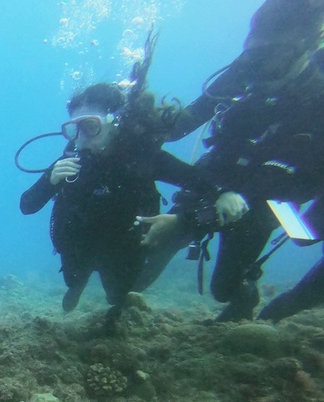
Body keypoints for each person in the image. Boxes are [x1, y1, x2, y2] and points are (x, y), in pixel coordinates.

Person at [138, 0, 324, 321]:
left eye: (275, 58)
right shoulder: (244, 70)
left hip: (269, 200)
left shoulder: (317, 102)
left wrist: (190, 220)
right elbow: (184, 123)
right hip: (218, 179)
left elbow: (296, 182)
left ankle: (247, 296)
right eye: (254, 55)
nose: (261, 69)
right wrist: (150, 123)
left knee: (226, 286)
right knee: (155, 246)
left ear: (308, 49)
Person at [20, 37, 213, 312]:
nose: (81, 139)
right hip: (79, 247)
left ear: (115, 122)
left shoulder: (143, 157)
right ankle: (78, 286)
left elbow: (205, 184)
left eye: (90, 126)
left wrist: (181, 220)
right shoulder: (69, 162)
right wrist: (50, 181)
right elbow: (27, 206)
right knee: (73, 279)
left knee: (119, 296)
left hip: (124, 247)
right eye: (74, 129)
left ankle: (126, 284)